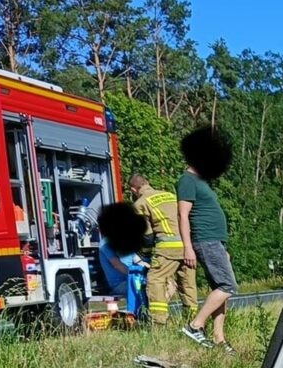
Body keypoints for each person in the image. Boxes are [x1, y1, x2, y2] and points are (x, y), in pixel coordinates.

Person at [177, 126, 238, 352]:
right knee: (228, 285)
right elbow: (183, 215)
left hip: (215, 242)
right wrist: (187, 248)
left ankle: (219, 338)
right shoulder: (187, 180)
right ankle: (195, 325)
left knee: (221, 289)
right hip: (205, 240)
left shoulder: (201, 182)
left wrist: (223, 246)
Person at [130, 172, 197, 326]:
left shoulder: (140, 204)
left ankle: (159, 322)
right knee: (187, 284)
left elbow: (147, 236)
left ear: (134, 190)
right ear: (147, 182)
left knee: (155, 280)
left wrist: (144, 254)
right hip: (188, 247)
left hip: (167, 248)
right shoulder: (169, 195)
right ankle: (193, 323)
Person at [97, 202, 150, 318]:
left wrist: (151, 269)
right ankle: (141, 317)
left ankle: (148, 315)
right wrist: (135, 273)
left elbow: (137, 260)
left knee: (159, 282)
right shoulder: (105, 244)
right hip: (120, 283)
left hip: (132, 278)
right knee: (146, 286)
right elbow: (117, 264)